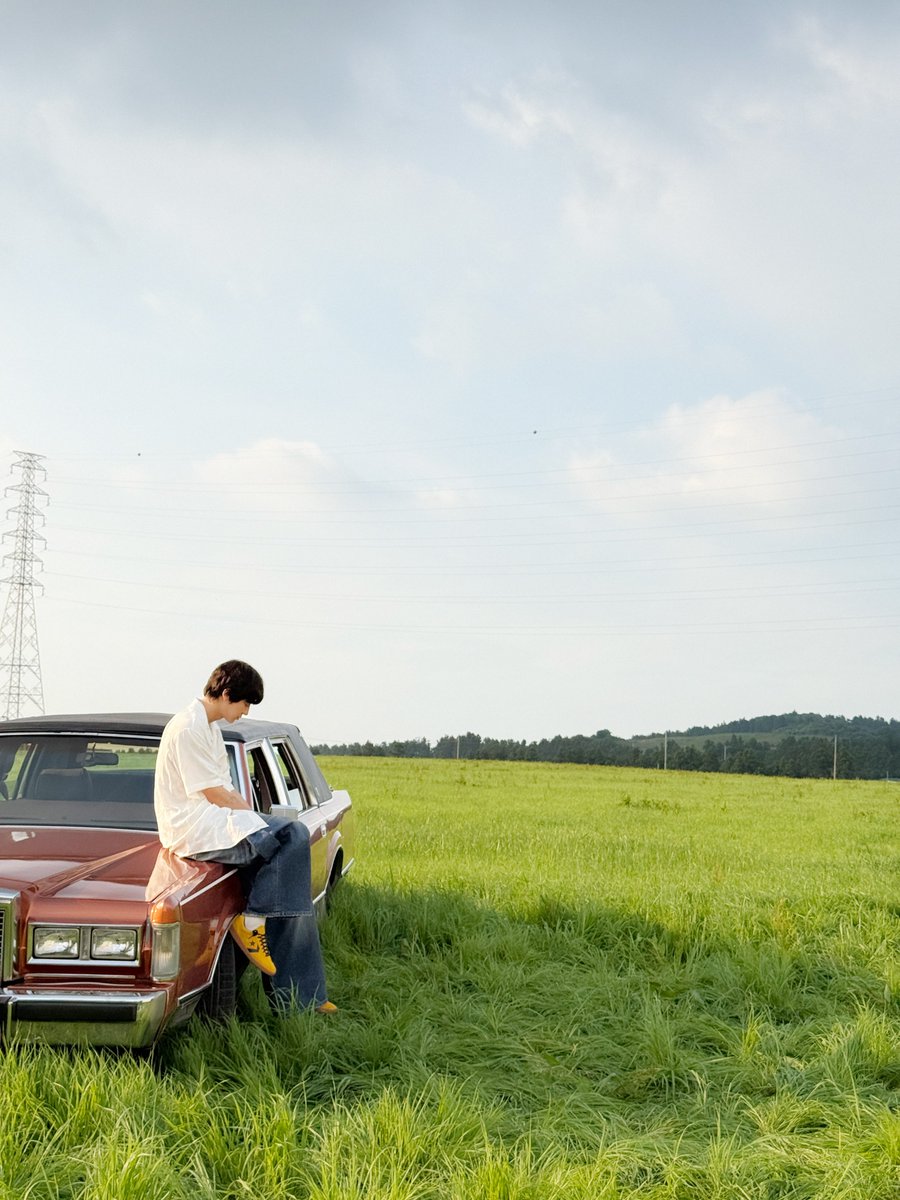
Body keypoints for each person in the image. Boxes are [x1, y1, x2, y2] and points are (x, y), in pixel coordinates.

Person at [153, 659, 336, 1014]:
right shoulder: (188, 728)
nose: (245, 712)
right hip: (193, 826)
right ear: (225, 694)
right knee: (293, 836)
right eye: (245, 703)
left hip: (215, 820)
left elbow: (225, 789)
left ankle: (303, 997)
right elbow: (213, 792)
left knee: (292, 890)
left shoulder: (208, 727)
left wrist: (253, 819)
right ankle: (253, 922)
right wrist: (254, 819)